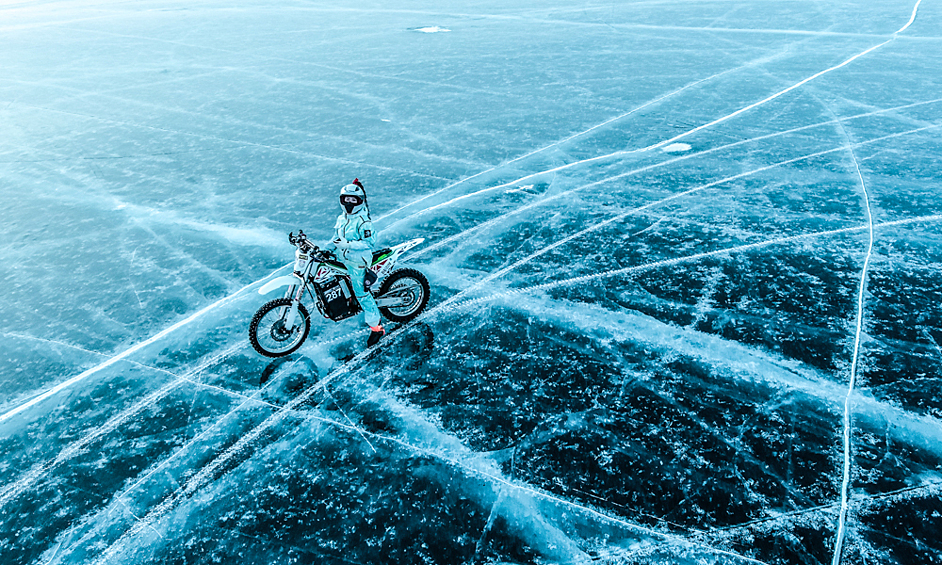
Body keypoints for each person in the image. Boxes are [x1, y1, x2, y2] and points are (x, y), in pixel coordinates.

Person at [323, 178, 385, 347]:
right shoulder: (342, 218)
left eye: (353, 200)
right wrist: (328, 248)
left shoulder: (363, 221)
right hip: (343, 258)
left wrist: (347, 245)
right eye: (346, 199)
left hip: (358, 262)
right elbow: (336, 238)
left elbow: (368, 243)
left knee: (362, 294)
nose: (349, 203)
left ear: (360, 201)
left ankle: (377, 328)